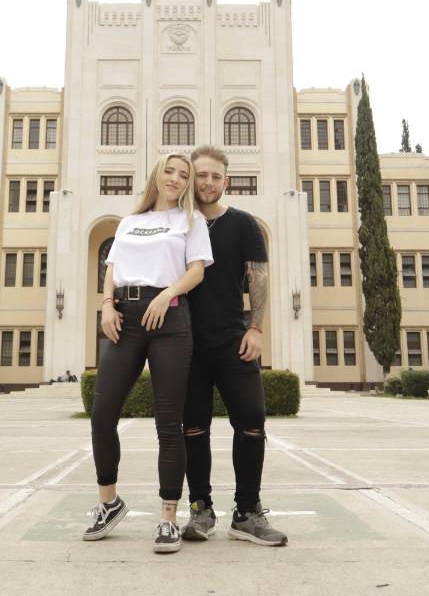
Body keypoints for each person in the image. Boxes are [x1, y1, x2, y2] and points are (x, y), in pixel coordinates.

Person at [84, 153, 213, 553]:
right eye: (169, 171)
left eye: (183, 175)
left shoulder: (190, 221)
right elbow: (113, 266)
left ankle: (168, 517)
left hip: (170, 321)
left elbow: (197, 270)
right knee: (103, 413)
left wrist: (169, 294)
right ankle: (110, 502)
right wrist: (106, 304)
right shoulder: (129, 223)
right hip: (125, 318)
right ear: (156, 174)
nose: (175, 178)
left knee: (167, 421)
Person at [180, 146, 287, 547]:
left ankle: (246, 512)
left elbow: (258, 277)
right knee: (193, 426)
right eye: (201, 175)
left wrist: (256, 328)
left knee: (252, 420)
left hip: (232, 339)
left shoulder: (244, 225)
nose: (207, 182)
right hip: (185, 341)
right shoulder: (177, 222)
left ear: (226, 181)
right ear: (192, 177)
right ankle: (200, 508)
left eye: (215, 176)